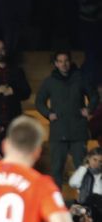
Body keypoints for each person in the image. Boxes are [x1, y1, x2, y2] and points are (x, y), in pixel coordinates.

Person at [35, 51, 98, 185]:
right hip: (59, 131)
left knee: (82, 168)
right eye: (60, 61)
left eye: (66, 61)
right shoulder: (50, 81)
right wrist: (48, 114)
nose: (64, 64)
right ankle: (57, 203)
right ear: (56, 64)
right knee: (57, 170)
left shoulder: (80, 78)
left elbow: (94, 96)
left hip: (78, 130)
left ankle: (84, 202)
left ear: (70, 62)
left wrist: (89, 109)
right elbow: (39, 101)